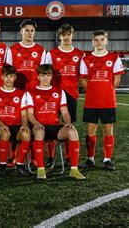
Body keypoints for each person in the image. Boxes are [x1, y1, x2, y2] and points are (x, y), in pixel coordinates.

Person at [25, 64, 85, 180]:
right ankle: (41, 170)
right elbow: (30, 114)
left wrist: (67, 122)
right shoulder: (31, 92)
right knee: (39, 132)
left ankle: (74, 169)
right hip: (40, 126)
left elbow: (65, 112)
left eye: (48, 75)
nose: (45, 78)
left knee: (73, 132)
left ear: (52, 76)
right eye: (42, 75)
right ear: (38, 77)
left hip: (55, 126)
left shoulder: (59, 91)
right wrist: (36, 123)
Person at [79, 30, 125, 171]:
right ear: (92, 42)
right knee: (90, 129)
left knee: (108, 129)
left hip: (108, 101)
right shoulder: (86, 58)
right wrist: (93, 89)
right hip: (91, 101)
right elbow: (82, 79)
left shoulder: (114, 57)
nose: (99, 42)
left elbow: (116, 80)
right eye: (96, 40)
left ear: (106, 41)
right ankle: (90, 159)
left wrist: (106, 88)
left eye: (101, 39)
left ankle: (107, 159)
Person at [45, 24, 85, 167]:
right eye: (64, 34)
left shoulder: (80, 54)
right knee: (52, 123)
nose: (66, 37)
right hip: (54, 95)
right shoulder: (52, 54)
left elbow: (82, 75)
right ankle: (50, 157)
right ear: (59, 36)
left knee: (69, 125)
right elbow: (46, 73)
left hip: (71, 93)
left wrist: (75, 86)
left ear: (72, 35)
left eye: (69, 34)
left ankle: (69, 157)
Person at [0, 65, 31, 176]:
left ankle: (20, 165)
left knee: (26, 134)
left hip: (16, 126)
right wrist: (1, 125)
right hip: (1, 126)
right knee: (5, 133)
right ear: (2, 77)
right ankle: (2, 166)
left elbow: (24, 114)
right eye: (6, 76)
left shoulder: (21, 94)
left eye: (11, 76)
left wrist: (24, 125)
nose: (8, 79)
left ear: (15, 78)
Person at [5, 19, 46, 91]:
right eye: (27, 30)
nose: (30, 33)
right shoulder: (12, 49)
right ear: (21, 31)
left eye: (32, 31)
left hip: (35, 89)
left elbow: (43, 73)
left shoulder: (41, 50)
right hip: (17, 88)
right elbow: (8, 72)